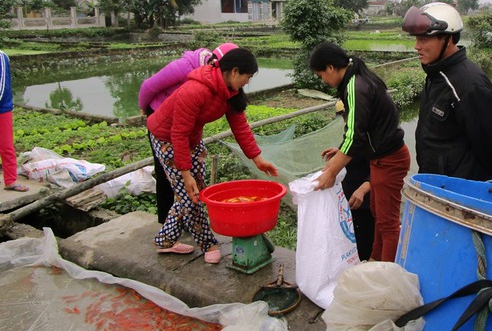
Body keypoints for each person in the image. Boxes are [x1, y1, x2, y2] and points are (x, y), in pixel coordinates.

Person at [146, 48, 278, 263]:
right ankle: (208, 244)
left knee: (194, 192)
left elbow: (240, 127)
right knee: (190, 194)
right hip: (167, 138)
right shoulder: (195, 90)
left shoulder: (230, 92)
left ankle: (164, 240)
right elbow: (177, 133)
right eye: (248, 77)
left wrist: (258, 159)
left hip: (191, 138)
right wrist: (185, 172)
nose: (248, 82)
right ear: (234, 72)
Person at [309, 42, 409, 262]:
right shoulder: (357, 80)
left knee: (388, 222)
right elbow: (361, 130)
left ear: (331, 68)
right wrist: (340, 152)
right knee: (379, 216)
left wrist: (330, 172)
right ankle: (375, 262)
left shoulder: (355, 85)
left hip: (390, 159)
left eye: (320, 75)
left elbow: (355, 137)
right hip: (381, 158)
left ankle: (387, 274)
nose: (322, 81)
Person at [401, 2, 492, 180]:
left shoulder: (468, 84)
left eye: (424, 39)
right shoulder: (436, 74)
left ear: (448, 39)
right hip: (436, 183)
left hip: (459, 190)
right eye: (416, 39)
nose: (416, 46)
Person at [139, 43, 238, 224]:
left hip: (185, 123)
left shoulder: (220, 84)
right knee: (167, 174)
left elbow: (237, 120)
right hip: (161, 118)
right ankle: (167, 223)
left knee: (192, 179)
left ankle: (187, 221)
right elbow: (148, 86)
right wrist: (144, 109)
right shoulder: (185, 67)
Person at [325, 99, 375, 261]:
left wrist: (362, 190)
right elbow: (349, 150)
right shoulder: (352, 130)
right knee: (353, 239)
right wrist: (339, 151)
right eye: (343, 116)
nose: (345, 119)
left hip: (366, 200)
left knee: (366, 240)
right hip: (351, 198)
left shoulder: (372, 136)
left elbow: (379, 170)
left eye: (347, 115)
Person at [0, 50, 29, 192]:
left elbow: (2, 86)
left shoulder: (1, 56)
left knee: (6, 145)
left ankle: (10, 180)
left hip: (2, 109)